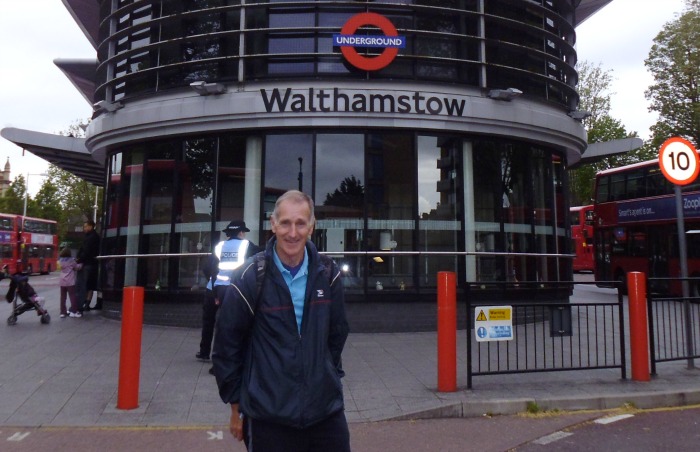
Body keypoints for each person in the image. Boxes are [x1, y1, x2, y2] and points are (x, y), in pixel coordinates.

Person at [212, 190, 350, 451]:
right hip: (268, 418)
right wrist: (237, 406)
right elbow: (226, 345)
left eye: (300, 223)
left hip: (325, 414)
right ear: (273, 224)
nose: (293, 232)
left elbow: (337, 333)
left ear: (312, 227)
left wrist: (326, 374)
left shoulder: (328, 274)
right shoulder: (250, 277)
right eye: (285, 223)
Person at [197, 220, 260, 372]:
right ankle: (223, 360)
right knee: (226, 325)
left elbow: (207, 267)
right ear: (240, 233)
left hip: (213, 288)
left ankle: (204, 351)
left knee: (209, 322)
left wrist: (214, 283)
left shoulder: (219, 247)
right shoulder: (246, 245)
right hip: (232, 290)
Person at [76, 220, 101, 312]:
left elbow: (86, 251)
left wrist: (79, 259)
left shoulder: (90, 238)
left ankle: (82, 303)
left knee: (84, 284)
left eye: (86, 226)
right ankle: (86, 303)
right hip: (91, 263)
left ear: (91, 226)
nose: (84, 228)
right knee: (89, 285)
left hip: (87, 263)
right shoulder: (93, 236)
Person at [58, 247, 82, 318]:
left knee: (63, 297)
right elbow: (77, 267)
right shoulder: (71, 260)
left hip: (62, 281)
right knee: (72, 296)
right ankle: (74, 312)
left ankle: (62, 312)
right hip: (70, 281)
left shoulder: (60, 260)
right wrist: (81, 264)